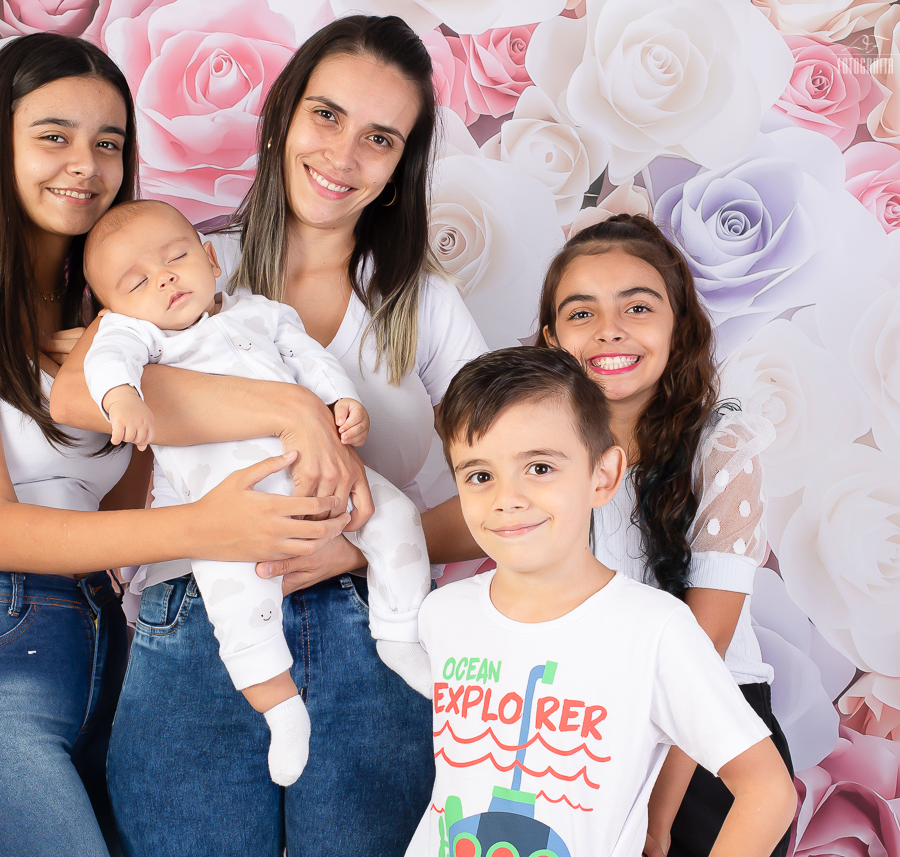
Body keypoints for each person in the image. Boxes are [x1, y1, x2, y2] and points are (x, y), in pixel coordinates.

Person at [0, 34, 358, 857]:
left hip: (103, 638)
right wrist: (210, 525)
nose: (86, 164)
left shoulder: (122, 324)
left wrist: (301, 418)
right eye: (54, 136)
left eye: (109, 143)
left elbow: (135, 496)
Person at [51, 15, 489, 855]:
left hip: (376, 623)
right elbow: (80, 391)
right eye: (326, 115)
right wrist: (291, 410)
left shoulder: (423, 304)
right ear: (283, 116)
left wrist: (353, 551)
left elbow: (505, 491)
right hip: (199, 611)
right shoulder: (183, 261)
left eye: (380, 138)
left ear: (400, 167)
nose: (343, 155)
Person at [80, 199, 433, 786]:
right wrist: (122, 398)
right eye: (137, 282)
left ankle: (400, 632)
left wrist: (343, 401)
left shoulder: (262, 314)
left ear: (211, 259)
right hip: (232, 516)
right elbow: (106, 361)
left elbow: (309, 358)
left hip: (320, 477)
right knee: (238, 603)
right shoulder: (138, 336)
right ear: (113, 307)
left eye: (175, 258)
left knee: (395, 516)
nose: (163, 278)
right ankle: (279, 707)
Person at [409, 346, 797, 857]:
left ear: (603, 476)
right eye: (480, 476)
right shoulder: (442, 614)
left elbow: (768, 789)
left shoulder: (655, 629)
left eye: (540, 467)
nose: (507, 499)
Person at [534, 214, 794, 857]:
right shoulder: (542, 458)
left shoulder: (721, 451)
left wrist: (656, 815)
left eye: (638, 307)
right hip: (590, 730)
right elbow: (456, 524)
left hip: (710, 746)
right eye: (581, 312)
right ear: (550, 340)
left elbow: (700, 660)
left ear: (679, 329)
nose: (609, 329)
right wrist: (346, 548)